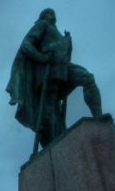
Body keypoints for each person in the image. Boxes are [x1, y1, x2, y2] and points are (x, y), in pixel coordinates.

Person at [6, 8, 102, 149]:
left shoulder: (57, 32)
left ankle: (98, 118)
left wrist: (67, 42)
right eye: (49, 12)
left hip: (63, 67)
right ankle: (53, 141)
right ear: (43, 16)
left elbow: (64, 54)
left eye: (53, 12)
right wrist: (42, 57)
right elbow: (26, 44)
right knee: (49, 108)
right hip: (49, 70)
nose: (52, 14)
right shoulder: (42, 25)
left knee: (88, 78)